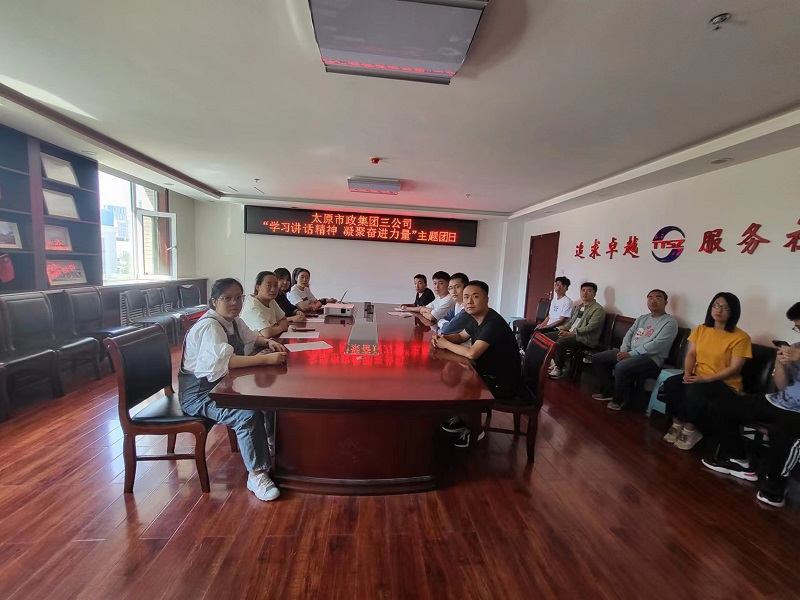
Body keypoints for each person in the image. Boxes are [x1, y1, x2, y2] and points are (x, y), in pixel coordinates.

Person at [179, 278, 288, 502]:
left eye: (238, 297)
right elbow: (225, 362)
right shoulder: (210, 326)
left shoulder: (234, 321)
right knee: (247, 414)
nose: (234, 303)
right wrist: (267, 359)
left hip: (224, 386)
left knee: (267, 396)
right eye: (227, 298)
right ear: (214, 301)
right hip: (201, 395)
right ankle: (256, 474)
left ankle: (268, 442)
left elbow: (252, 337)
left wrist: (268, 343)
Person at [701, 302, 800, 507]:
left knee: (781, 432)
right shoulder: (796, 348)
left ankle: (776, 482)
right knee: (721, 406)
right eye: (797, 328)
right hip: (779, 400)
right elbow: (782, 385)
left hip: (797, 413)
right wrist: (780, 365)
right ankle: (739, 461)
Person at [432, 280, 523, 447]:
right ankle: (463, 416)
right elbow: (461, 336)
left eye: (475, 297)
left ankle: (474, 430)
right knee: (458, 379)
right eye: (466, 297)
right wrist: (443, 338)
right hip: (489, 372)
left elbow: (472, 352)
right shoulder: (476, 318)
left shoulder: (493, 322)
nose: (469, 301)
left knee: (464, 383)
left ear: (486, 299)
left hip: (503, 382)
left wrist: (445, 345)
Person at [662, 292, 752, 451]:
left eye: (725, 308)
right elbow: (691, 354)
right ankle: (677, 423)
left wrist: (706, 379)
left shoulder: (741, 337)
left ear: (733, 312)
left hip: (724, 384)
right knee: (672, 383)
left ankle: (691, 429)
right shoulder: (702, 329)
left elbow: (734, 368)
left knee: (695, 390)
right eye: (716, 305)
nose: (719, 310)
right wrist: (687, 373)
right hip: (699, 377)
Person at [591, 289, 678, 411]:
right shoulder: (642, 318)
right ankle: (609, 391)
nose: (653, 301)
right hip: (629, 352)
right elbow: (629, 334)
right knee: (598, 358)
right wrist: (623, 350)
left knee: (621, 366)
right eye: (650, 298)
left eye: (658, 298)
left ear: (665, 302)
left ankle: (620, 399)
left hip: (651, 358)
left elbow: (658, 344)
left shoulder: (669, 322)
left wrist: (631, 354)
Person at [548, 282, 605, 379]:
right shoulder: (579, 306)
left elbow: (590, 327)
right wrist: (563, 329)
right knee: (548, 337)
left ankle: (559, 369)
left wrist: (571, 333)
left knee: (561, 341)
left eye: (588, 291)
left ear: (594, 294)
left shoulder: (598, 309)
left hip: (585, 338)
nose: (585, 293)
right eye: (583, 290)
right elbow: (571, 322)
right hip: (571, 333)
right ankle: (557, 363)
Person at [514, 277, 574, 351]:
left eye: (562, 286)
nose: (558, 288)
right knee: (524, 328)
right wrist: (542, 325)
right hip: (548, 326)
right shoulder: (554, 300)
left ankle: (534, 353)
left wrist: (546, 327)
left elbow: (561, 321)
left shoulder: (568, 302)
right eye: (557, 285)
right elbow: (549, 316)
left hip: (557, 328)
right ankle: (526, 350)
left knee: (537, 332)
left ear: (566, 288)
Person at [240, 271, 290, 338]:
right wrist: (281, 327)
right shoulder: (253, 306)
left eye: (275, 285)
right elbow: (267, 333)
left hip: (271, 340)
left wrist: (275, 328)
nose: (273, 289)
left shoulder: (271, 300)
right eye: (269, 285)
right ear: (258, 287)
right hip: (255, 344)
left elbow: (283, 319)